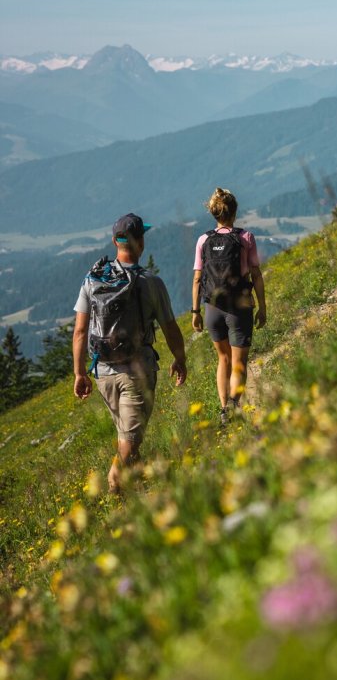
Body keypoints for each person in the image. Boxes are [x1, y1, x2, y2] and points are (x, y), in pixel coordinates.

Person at [72, 213, 187, 493]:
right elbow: (169, 326)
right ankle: (114, 484)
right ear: (141, 242)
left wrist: (79, 373)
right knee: (129, 441)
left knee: (127, 437)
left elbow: (79, 332)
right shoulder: (150, 282)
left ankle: (135, 497)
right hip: (137, 373)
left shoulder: (92, 280)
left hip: (104, 375)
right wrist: (180, 357)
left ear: (115, 241)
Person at [191, 188, 266, 425]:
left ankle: (224, 408)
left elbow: (196, 278)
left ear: (214, 213)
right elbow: (256, 274)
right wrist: (262, 306)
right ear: (234, 211)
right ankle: (234, 404)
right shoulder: (245, 238)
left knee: (223, 359)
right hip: (240, 305)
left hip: (212, 307)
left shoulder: (203, 240)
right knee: (238, 361)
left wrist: (195, 312)